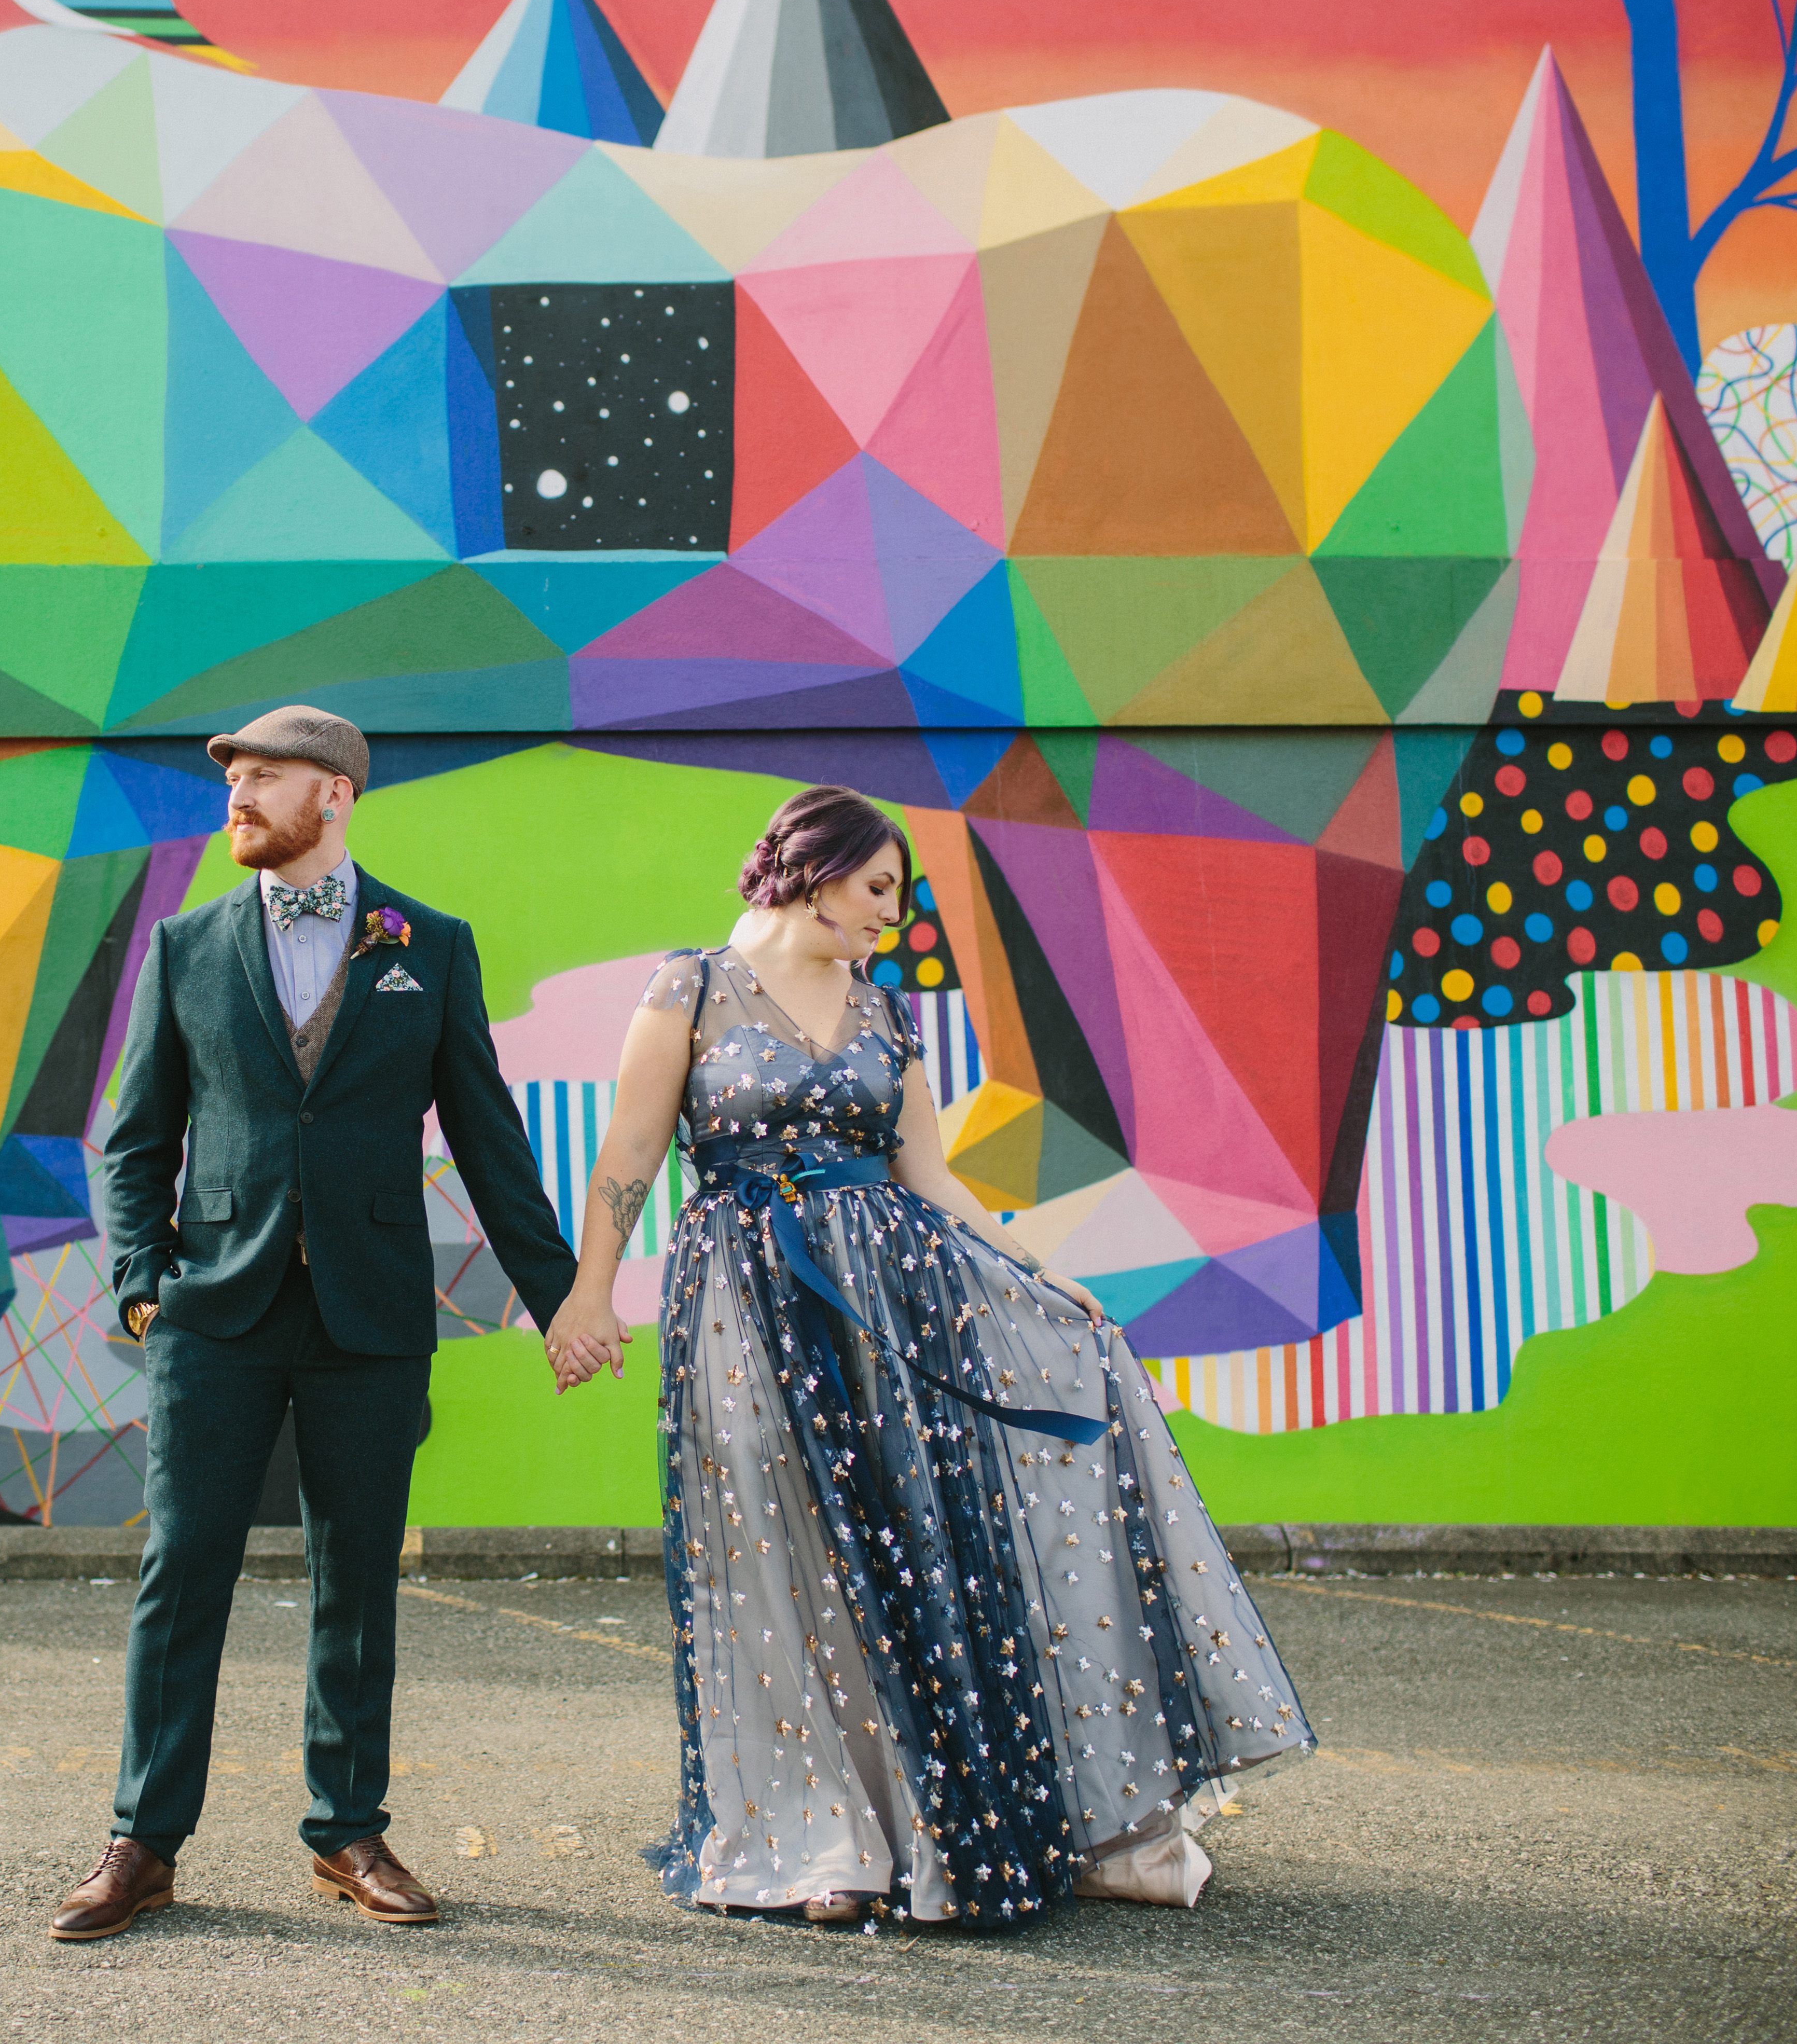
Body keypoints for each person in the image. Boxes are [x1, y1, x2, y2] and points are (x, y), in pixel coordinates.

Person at [543, 785, 1312, 1926]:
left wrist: (1047, 1278)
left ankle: (915, 1825)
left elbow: (934, 1180)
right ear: (817, 868)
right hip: (745, 1304)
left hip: (897, 1305)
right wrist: (588, 1297)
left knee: (905, 1545)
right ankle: (819, 1840)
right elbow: (631, 1156)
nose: (892, 916)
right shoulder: (690, 986)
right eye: (881, 889)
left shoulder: (886, 1010)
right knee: (777, 1549)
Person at [52, 706, 596, 1941]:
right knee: (182, 1571)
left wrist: (563, 1294)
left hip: (370, 1317)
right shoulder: (188, 948)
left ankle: (346, 1830)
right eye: (232, 778)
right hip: (216, 1315)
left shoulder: (429, 948)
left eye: (262, 778)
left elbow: (489, 1139)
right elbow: (136, 1138)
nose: (237, 796)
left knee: (357, 1580)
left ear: (336, 794)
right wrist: (144, 1281)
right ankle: (143, 1841)